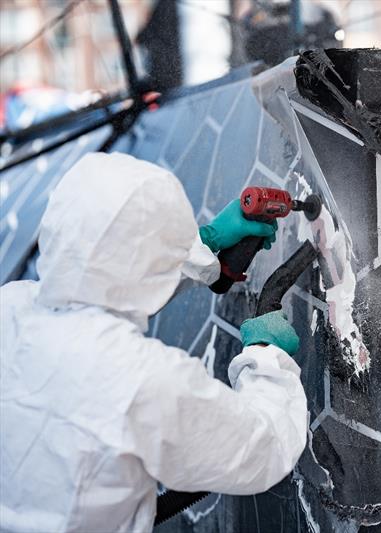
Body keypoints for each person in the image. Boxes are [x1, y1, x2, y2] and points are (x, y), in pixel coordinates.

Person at [0, 153, 308, 532]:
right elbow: (265, 450)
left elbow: (99, 278)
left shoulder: (10, 307)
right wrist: (266, 356)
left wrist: (202, 247)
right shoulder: (141, 382)